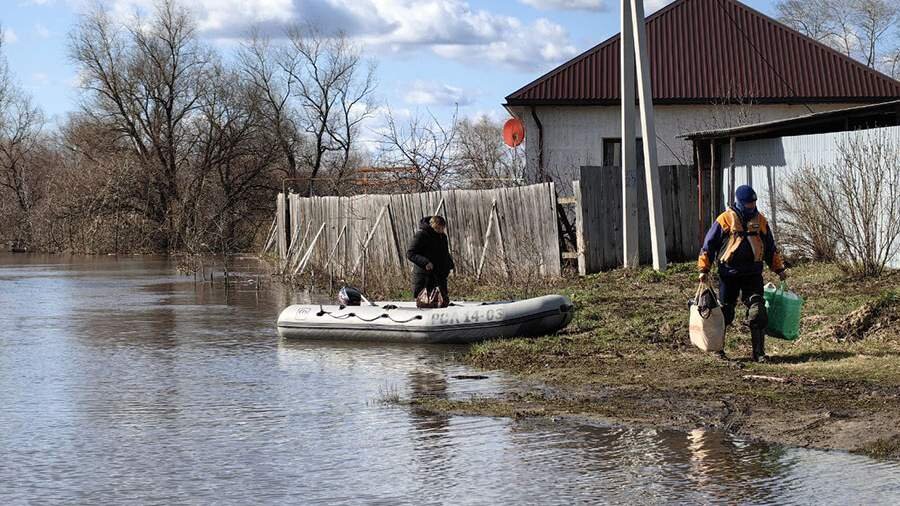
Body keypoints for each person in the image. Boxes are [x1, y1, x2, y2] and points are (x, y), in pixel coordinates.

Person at [698, 185, 788, 362]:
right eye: (748, 204)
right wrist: (703, 269)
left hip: (752, 274)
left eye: (754, 203)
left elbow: (770, 248)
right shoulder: (724, 220)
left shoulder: (761, 221)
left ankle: (759, 353)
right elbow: (708, 246)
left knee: (758, 311)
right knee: (725, 313)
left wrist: (779, 269)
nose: (751, 206)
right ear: (740, 203)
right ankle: (718, 351)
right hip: (728, 275)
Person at [406, 215, 454, 307]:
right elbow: (410, 253)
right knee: (425, 303)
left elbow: (444, 253)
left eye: (442, 228)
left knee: (443, 302)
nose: (441, 230)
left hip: (440, 276)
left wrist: (449, 265)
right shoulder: (421, 235)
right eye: (438, 228)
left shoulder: (442, 237)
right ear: (432, 226)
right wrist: (425, 262)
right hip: (425, 276)